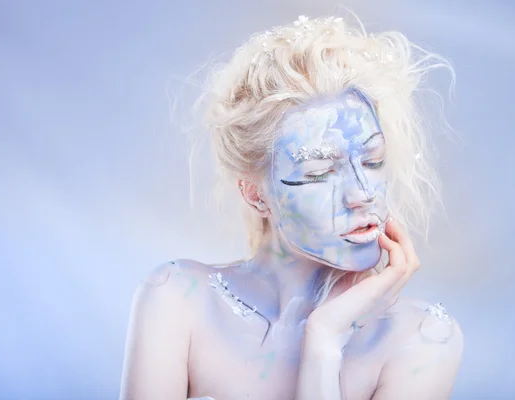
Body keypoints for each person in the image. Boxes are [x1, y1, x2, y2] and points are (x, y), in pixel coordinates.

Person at [120, 13, 463, 400]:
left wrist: (325, 342)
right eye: (320, 171)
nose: (362, 193)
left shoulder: (422, 341)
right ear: (255, 195)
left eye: (372, 160)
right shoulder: (177, 301)